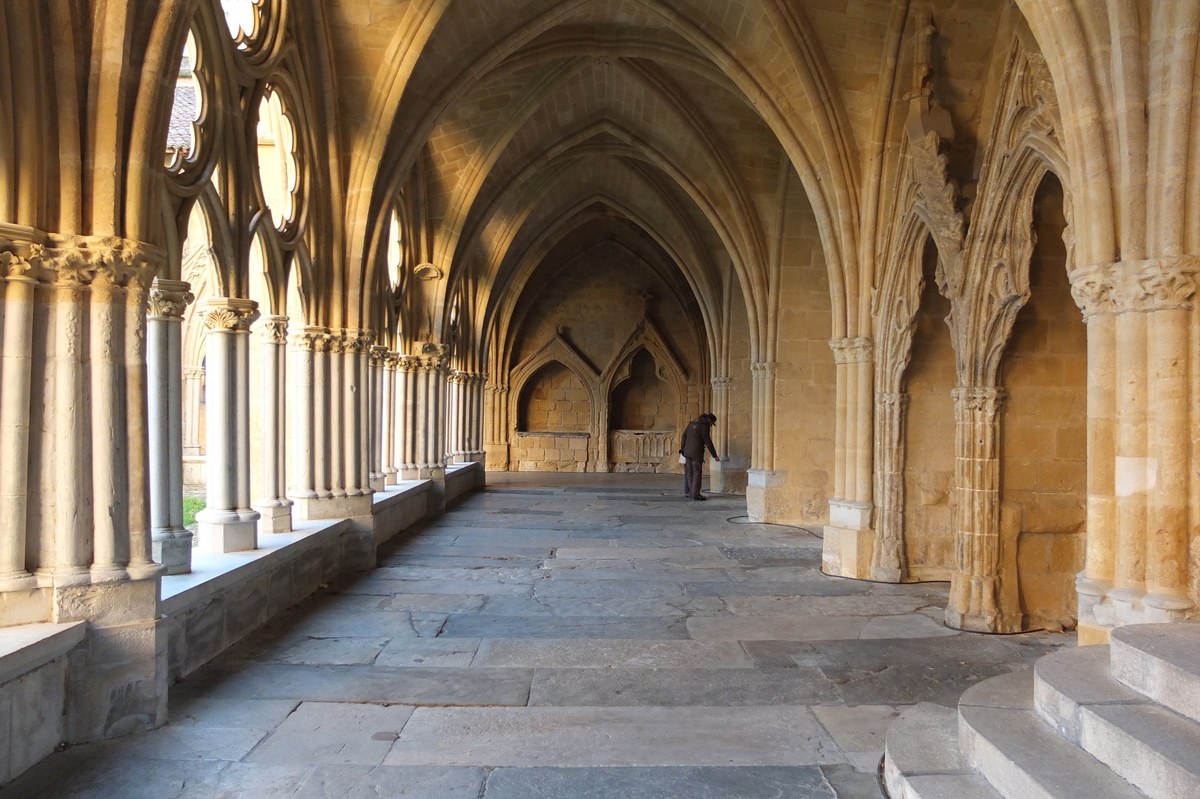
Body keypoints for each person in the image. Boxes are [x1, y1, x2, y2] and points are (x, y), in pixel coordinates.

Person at [679, 412, 720, 500]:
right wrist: (714, 455)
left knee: (690, 473)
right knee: (697, 473)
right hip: (696, 453)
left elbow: (683, 436)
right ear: (709, 420)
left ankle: (691, 492)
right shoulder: (704, 426)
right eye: (712, 424)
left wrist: (682, 450)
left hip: (687, 452)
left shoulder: (691, 424)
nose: (711, 425)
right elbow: (708, 442)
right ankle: (695, 494)